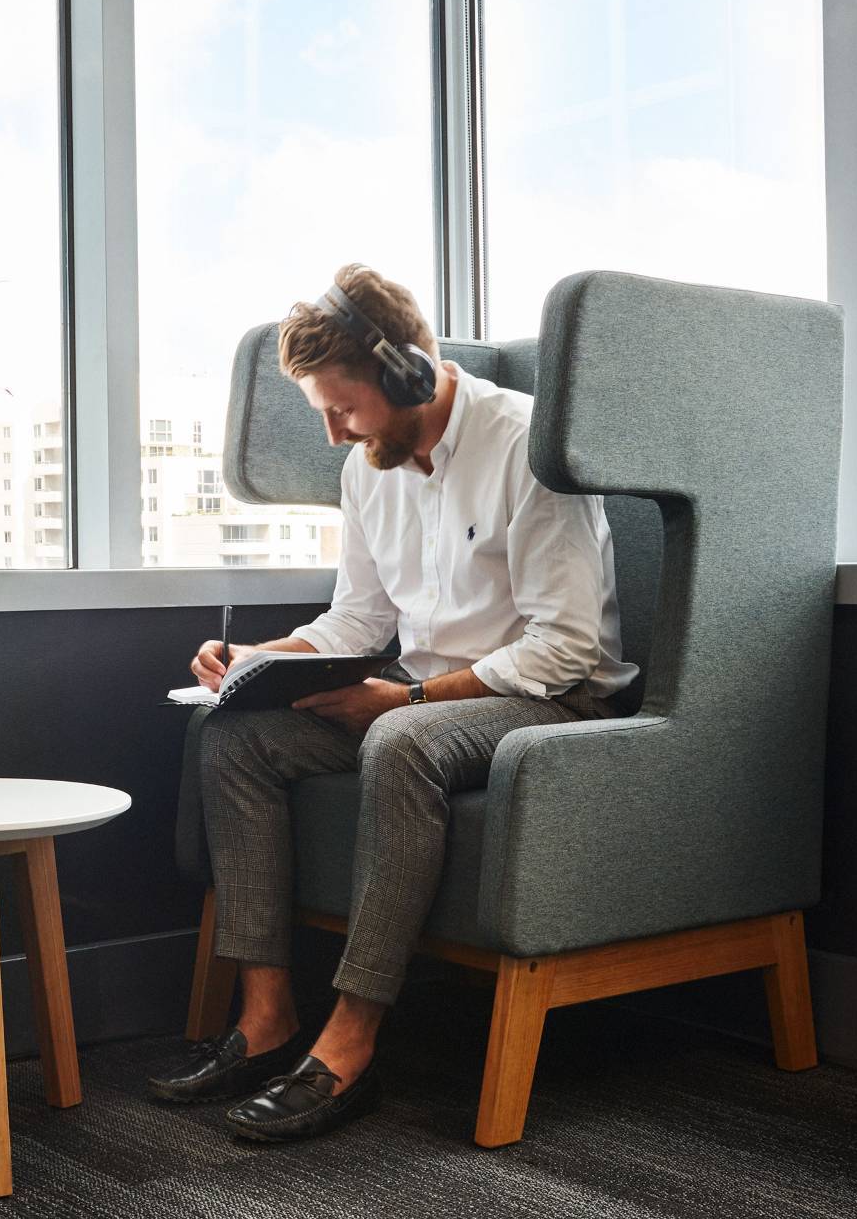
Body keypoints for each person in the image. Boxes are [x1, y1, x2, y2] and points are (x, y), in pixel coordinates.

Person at [147, 264, 638, 1142]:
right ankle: (267, 1019)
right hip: (421, 699)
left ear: (409, 374)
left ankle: (351, 1043)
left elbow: (566, 650)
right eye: (322, 413)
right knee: (235, 737)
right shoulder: (370, 469)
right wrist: (258, 660)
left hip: (548, 702)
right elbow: (360, 616)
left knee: (403, 740)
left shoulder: (528, 447)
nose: (335, 433)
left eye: (344, 409)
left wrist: (404, 697)